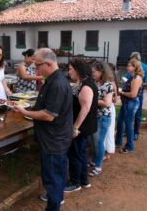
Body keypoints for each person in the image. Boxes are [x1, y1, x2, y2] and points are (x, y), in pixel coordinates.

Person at [14, 48, 72, 211]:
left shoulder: (57, 83)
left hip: (54, 141)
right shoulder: (52, 79)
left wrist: (26, 112)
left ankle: (53, 206)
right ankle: (57, 200)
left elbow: (49, 115)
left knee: (53, 178)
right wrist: (30, 106)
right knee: (56, 176)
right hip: (54, 138)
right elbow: (47, 105)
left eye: (38, 65)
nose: (36, 69)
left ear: (48, 64)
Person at [64, 58, 98, 192]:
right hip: (84, 127)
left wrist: (75, 127)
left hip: (81, 128)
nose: (69, 71)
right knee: (82, 154)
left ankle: (75, 182)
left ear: (78, 70)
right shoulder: (83, 83)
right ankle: (84, 180)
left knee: (75, 155)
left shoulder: (86, 86)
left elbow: (85, 109)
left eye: (70, 69)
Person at [88, 61, 113, 177]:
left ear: (101, 71)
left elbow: (107, 103)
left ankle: (98, 167)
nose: (92, 73)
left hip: (102, 118)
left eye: (94, 71)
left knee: (98, 143)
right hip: (93, 117)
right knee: (93, 142)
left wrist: (91, 101)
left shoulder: (108, 85)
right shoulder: (94, 82)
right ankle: (94, 160)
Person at [115, 59, 143, 153]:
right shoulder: (132, 77)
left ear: (135, 67)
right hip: (126, 103)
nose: (127, 67)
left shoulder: (136, 79)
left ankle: (129, 146)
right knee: (119, 121)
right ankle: (118, 142)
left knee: (128, 124)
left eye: (130, 66)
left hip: (131, 103)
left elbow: (133, 95)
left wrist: (121, 92)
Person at [128, 52, 147, 141]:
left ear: (138, 59)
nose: (131, 61)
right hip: (129, 93)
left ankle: (136, 132)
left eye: (133, 59)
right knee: (128, 113)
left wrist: (137, 84)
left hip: (138, 95)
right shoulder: (130, 67)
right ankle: (128, 131)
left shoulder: (146, 68)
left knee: (137, 113)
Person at [104, 63, 119, 160]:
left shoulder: (112, 83)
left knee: (109, 130)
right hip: (106, 107)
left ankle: (107, 152)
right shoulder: (106, 82)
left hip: (109, 108)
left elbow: (115, 100)